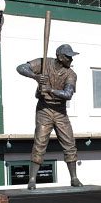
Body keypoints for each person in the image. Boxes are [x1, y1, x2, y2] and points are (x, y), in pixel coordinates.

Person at [17, 44, 83, 190]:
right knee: (40, 143)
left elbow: (68, 94)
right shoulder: (44, 62)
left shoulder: (71, 74)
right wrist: (35, 76)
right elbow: (20, 68)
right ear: (60, 57)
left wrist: (50, 89)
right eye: (68, 56)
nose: (71, 59)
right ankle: (32, 179)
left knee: (69, 144)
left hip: (60, 111)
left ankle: (74, 178)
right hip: (44, 109)